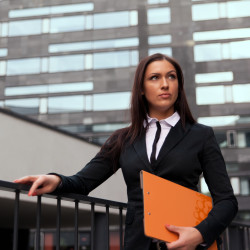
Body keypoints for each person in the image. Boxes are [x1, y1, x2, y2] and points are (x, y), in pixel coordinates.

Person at [14, 53, 238, 250]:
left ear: (179, 85)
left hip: (186, 245)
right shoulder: (122, 139)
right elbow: (83, 182)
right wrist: (56, 180)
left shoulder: (201, 135)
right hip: (137, 243)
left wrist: (199, 234)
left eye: (172, 76)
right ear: (141, 88)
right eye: (154, 77)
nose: (165, 84)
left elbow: (227, 201)